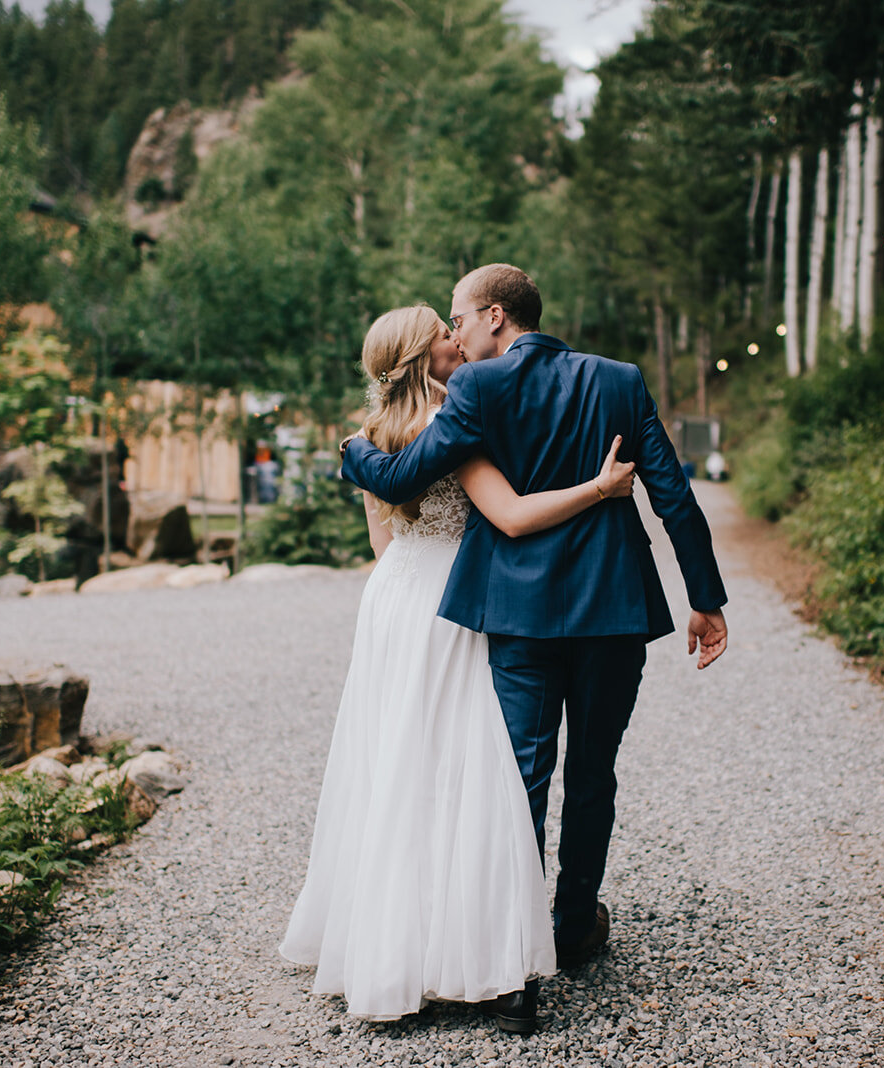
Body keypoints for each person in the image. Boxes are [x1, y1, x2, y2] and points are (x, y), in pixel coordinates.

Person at [340, 264, 728, 1033]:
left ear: (493, 316)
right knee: (593, 772)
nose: (453, 335)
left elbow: (404, 472)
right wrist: (705, 600)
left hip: (518, 619)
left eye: (458, 319)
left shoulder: (479, 391)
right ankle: (574, 923)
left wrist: (352, 457)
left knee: (517, 777)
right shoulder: (618, 379)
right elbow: (672, 493)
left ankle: (514, 972)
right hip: (615, 613)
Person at [280, 306, 637, 1031]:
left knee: (397, 774)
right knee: (477, 778)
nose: (457, 336)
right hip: (458, 602)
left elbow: (382, 541)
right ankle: (483, 956)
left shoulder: (368, 438)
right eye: (444, 332)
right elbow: (509, 516)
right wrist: (600, 490)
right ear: (424, 354)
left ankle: (387, 949)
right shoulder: (461, 422)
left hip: (394, 602)